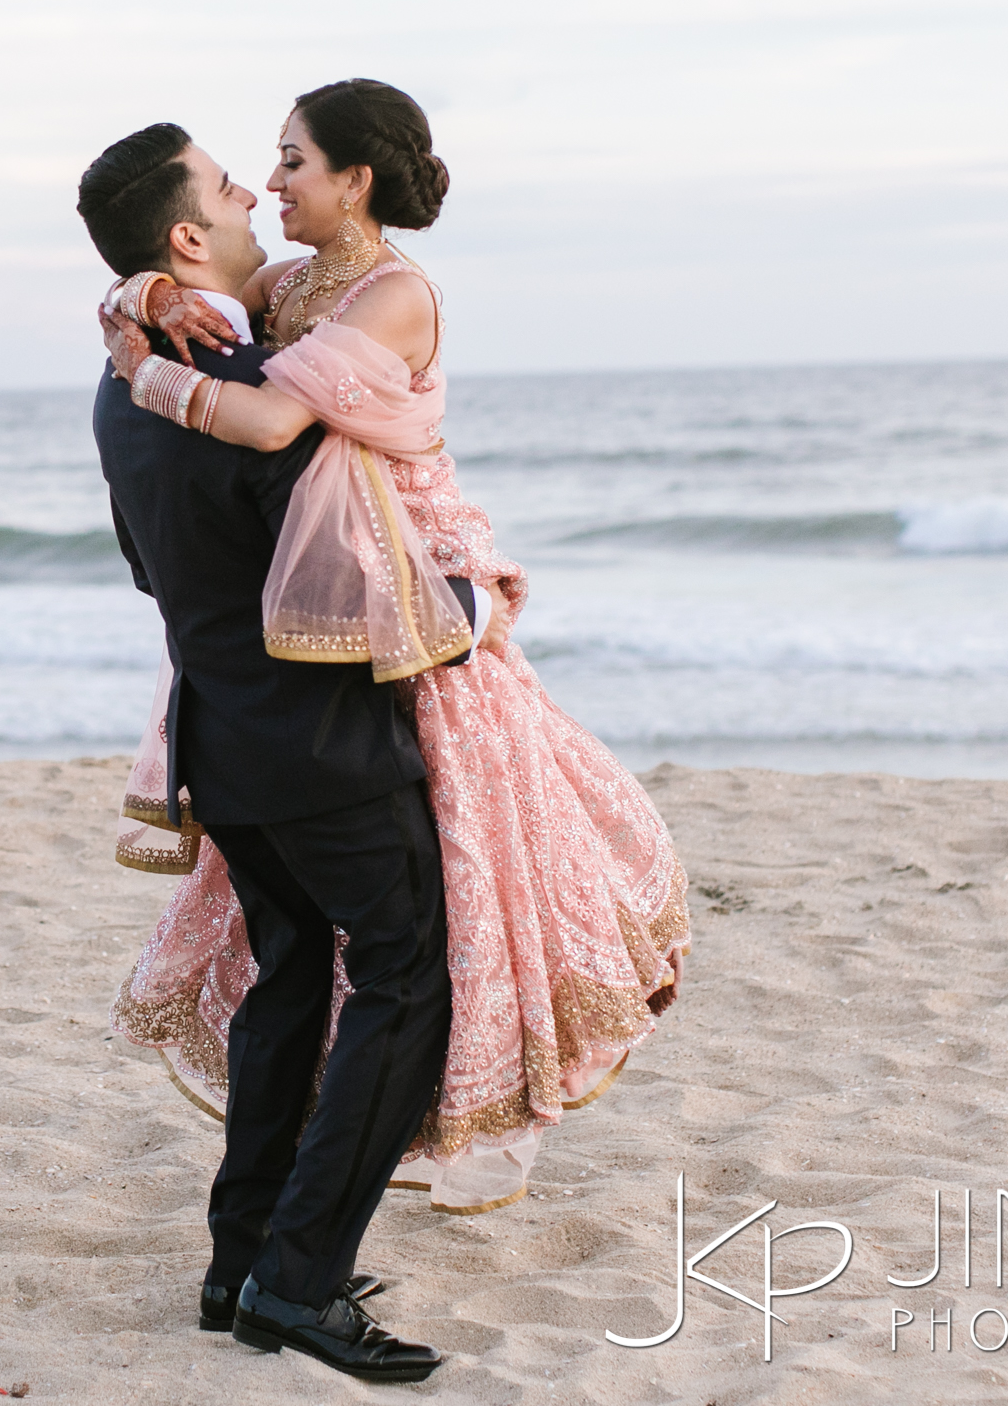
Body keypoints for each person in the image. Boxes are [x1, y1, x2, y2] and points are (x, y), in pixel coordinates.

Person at [102, 79, 692, 1218]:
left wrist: (145, 371)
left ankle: (452, 1107)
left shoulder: (395, 294)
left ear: (355, 178)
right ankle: (339, 1142)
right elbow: (182, 286)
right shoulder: (288, 284)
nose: (271, 183)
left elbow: (272, 419)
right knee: (366, 901)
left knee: (467, 856)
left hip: (417, 579)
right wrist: (145, 291)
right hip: (337, 583)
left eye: (291, 161)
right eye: (265, 164)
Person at [78, 121, 450, 1384]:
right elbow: (353, 573)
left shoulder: (122, 382)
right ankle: (295, 1280)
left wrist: (130, 301)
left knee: (292, 978)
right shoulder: (258, 396)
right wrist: (470, 603)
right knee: (406, 977)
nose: (253, 193)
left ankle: (239, 1267)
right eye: (231, 185)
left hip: (218, 738)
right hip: (321, 746)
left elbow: (150, 569)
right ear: (189, 235)